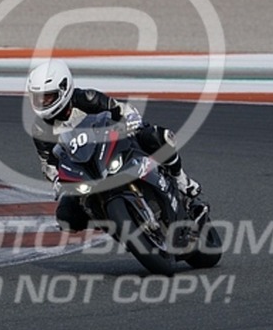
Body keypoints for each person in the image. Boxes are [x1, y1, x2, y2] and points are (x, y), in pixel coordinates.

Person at [26, 60, 201, 231]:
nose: (42, 103)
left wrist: (131, 120)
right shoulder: (40, 129)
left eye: (48, 97)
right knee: (65, 217)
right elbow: (48, 163)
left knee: (156, 136)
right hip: (84, 169)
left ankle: (181, 180)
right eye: (38, 98)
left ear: (64, 89)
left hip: (112, 146)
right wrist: (57, 180)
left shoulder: (87, 98)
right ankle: (111, 222)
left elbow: (121, 109)